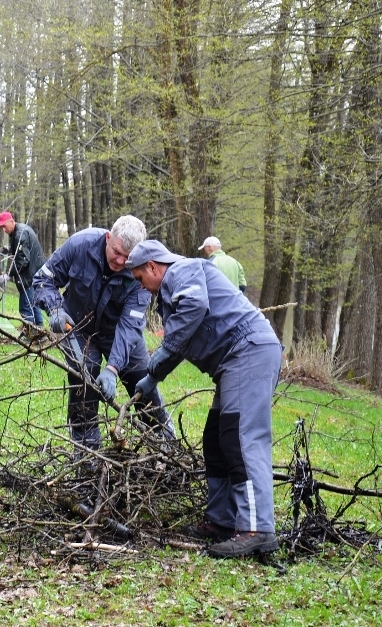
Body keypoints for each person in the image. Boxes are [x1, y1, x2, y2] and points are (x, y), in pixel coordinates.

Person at [126, 239, 282, 558]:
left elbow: (194, 309)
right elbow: (185, 334)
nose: (144, 288)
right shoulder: (175, 282)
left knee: (240, 438)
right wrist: (155, 375)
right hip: (233, 361)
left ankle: (257, 529)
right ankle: (222, 521)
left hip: (248, 352)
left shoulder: (184, 270)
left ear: (153, 267)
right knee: (216, 438)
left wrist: (157, 363)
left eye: (141, 279)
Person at [31, 215, 175, 451]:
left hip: (120, 331)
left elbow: (130, 326)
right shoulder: (79, 245)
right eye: (116, 251)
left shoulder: (141, 270)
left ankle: (165, 445)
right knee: (84, 378)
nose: (120, 261)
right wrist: (54, 308)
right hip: (77, 327)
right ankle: (87, 451)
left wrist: (113, 368)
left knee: (143, 383)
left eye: (127, 258)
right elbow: (43, 279)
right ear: (108, 238)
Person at [0, 211, 46, 327]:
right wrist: (9, 249)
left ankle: (31, 334)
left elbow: (23, 260)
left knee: (25, 307)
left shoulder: (20, 235)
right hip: (36, 272)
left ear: (11, 221)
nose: (3, 229)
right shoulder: (19, 230)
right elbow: (21, 249)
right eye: (1, 227)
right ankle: (40, 332)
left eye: (4, 226)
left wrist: (9, 274)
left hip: (30, 274)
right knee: (33, 303)